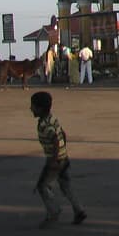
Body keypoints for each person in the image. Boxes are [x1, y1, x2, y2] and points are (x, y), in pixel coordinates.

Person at [30, 91, 86, 227]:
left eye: (33, 106)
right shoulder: (52, 118)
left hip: (55, 161)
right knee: (66, 185)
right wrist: (63, 151)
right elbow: (63, 134)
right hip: (63, 158)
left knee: (42, 186)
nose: (31, 109)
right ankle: (79, 210)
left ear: (40, 108)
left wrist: (54, 159)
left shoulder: (45, 124)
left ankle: (54, 212)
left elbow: (55, 138)